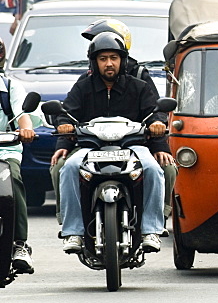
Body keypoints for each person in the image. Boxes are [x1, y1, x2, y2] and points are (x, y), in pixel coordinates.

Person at [51, 33, 170, 254]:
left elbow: (156, 114)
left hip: (133, 146)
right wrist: (64, 131)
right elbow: (66, 114)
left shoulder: (139, 86)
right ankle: (73, 232)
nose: (108, 63)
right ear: (94, 62)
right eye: (103, 58)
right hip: (90, 146)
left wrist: (157, 128)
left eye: (113, 57)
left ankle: (151, 230)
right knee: (68, 168)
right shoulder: (83, 87)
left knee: (153, 168)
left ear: (122, 60)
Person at [0, 41, 39, 273]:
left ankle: (20, 244)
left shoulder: (10, 86)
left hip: (5, 150)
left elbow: (23, 115)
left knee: (13, 180)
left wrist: (25, 129)